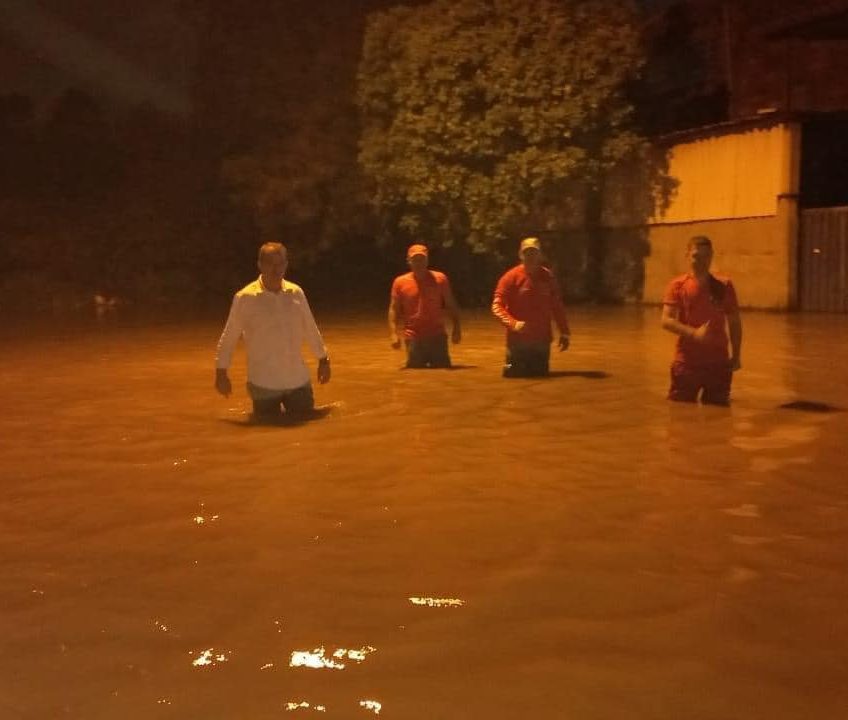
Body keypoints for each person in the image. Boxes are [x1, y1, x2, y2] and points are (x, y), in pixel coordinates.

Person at [215, 242, 331, 421]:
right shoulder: (245, 298)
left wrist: (323, 359)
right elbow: (229, 336)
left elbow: (310, 327)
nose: (276, 269)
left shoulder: (296, 293)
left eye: (281, 263)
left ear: (286, 264)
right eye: (271, 263)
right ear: (260, 265)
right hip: (264, 385)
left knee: (307, 432)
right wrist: (221, 373)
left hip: (297, 382)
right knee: (267, 436)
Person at [661, 235, 742, 405]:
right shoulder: (677, 285)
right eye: (696, 256)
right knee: (679, 417)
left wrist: (736, 356)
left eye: (706, 256)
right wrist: (694, 333)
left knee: (718, 419)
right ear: (687, 255)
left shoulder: (724, 285)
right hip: (687, 363)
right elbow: (666, 320)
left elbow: (734, 322)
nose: (701, 261)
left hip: (719, 364)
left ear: (711, 255)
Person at [491, 237, 570, 377]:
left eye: (534, 253)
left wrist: (564, 332)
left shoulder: (548, 277)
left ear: (540, 256)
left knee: (541, 379)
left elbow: (557, 306)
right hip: (517, 343)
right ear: (521, 255)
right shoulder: (510, 277)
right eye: (527, 253)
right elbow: (496, 307)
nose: (531, 257)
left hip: (541, 343)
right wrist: (513, 323)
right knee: (510, 375)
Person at [388, 243, 461, 368]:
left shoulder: (440, 279)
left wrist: (457, 329)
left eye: (422, 259)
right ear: (409, 261)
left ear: (427, 260)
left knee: (442, 372)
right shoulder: (400, 282)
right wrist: (393, 333)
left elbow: (450, 304)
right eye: (415, 260)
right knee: (415, 374)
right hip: (414, 338)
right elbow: (394, 309)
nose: (419, 263)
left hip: (437, 337)